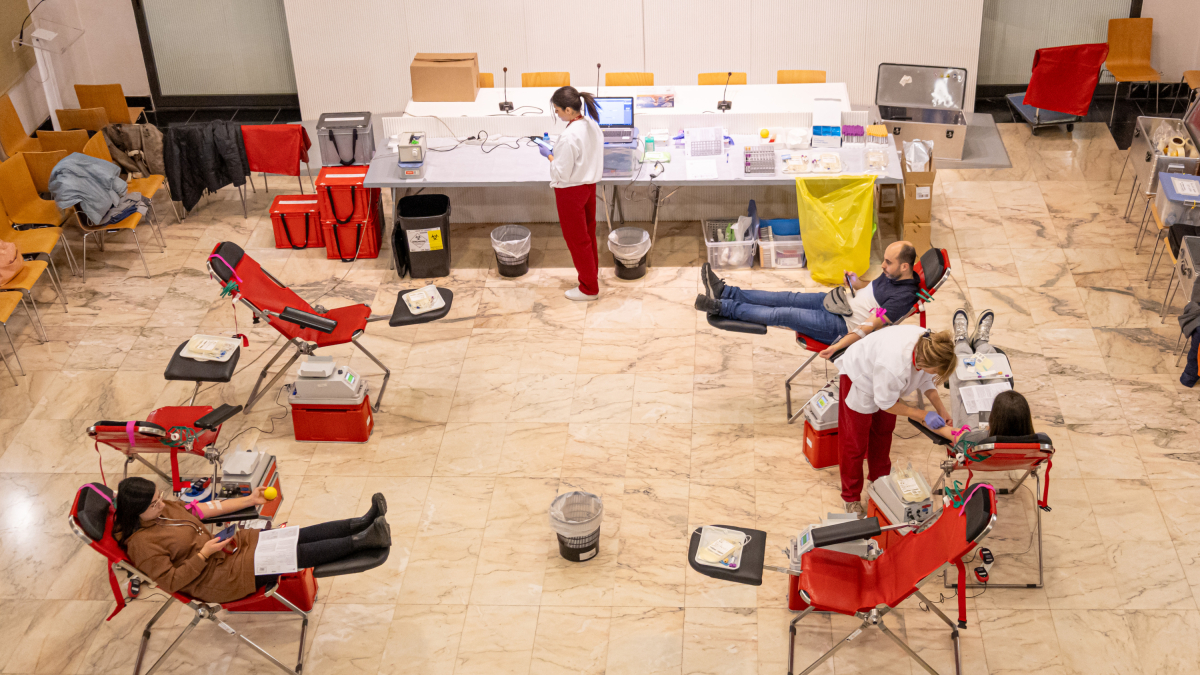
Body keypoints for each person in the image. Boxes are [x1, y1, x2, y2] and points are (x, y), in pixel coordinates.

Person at [114, 476, 391, 604]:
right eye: (154, 504)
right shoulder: (142, 545)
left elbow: (204, 510)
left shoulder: (164, 510)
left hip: (229, 549)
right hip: (217, 578)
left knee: (296, 536)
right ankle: (365, 539)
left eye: (160, 497)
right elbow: (171, 581)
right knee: (294, 553)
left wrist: (249, 500)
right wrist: (203, 554)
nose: (162, 504)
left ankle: (362, 523)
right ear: (136, 512)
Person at [694, 241, 921, 356]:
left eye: (888, 262)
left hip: (840, 325)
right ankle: (725, 292)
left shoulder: (902, 298)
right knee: (785, 297)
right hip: (838, 303)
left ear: (904, 266)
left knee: (783, 314)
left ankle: (721, 307)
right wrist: (856, 282)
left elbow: (869, 325)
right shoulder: (893, 275)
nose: (883, 265)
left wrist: (838, 347)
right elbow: (872, 293)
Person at [835, 325, 957, 515]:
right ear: (926, 362)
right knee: (855, 442)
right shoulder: (894, 366)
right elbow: (886, 403)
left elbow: (926, 379)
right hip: (860, 377)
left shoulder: (930, 346)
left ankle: (879, 482)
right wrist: (922, 414)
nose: (935, 374)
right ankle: (850, 497)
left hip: (885, 379)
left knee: (883, 432)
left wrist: (941, 409)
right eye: (935, 370)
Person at [542, 86, 604, 302]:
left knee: (577, 240)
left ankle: (589, 288)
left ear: (568, 110)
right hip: (588, 187)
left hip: (571, 192)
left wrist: (549, 156)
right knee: (588, 235)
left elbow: (561, 173)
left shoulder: (569, 136)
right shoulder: (591, 124)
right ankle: (592, 275)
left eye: (558, 110)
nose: (557, 114)